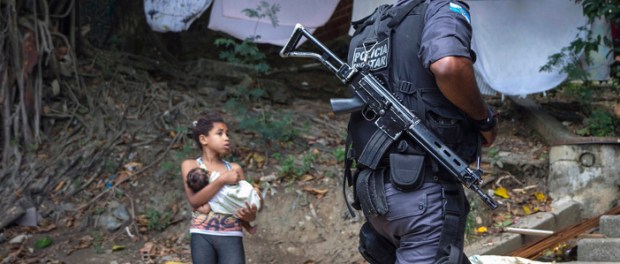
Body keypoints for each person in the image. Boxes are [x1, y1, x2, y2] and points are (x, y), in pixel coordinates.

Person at [344, 0, 499, 264]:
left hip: (374, 195)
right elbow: (448, 65)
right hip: (421, 196)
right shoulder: (440, 8)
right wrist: (484, 118)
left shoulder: (372, 26)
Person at [181, 114, 258, 264]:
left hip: (232, 235)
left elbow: (244, 206)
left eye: (227, 134)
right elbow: (195, 201)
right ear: (204, 139)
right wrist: (222, 180)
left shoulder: (234, 169)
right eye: (220, 133)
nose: (226, 138)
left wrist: (250, 216)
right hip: (201, 235)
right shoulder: (191, 165)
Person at [186, 166, 263, 234]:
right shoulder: (217, 176)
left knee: (239, 215)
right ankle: (260, 207)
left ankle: (249, 228)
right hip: (249, 201)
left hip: (239, 210)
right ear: (208, 173)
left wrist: (196, 207)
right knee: (256, 190)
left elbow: (205, 209)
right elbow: (234, 177)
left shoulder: (208, 197)